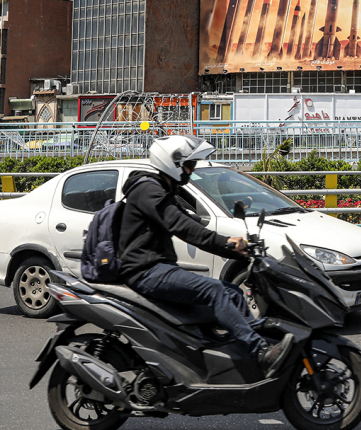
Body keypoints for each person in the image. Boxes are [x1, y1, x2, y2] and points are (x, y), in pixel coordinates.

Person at [117, 135, 294, 377]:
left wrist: (237, 245)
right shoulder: (149, 190)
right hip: (146, 271)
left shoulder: (162, 189)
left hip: (157, 268)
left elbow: (192, 221)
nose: (193, 169)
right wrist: (225, 244)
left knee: (232, 293)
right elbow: (183, 227)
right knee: (217, 292)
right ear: (174, 163)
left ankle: (235, 360)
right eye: (190, 164)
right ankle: (259, 351)